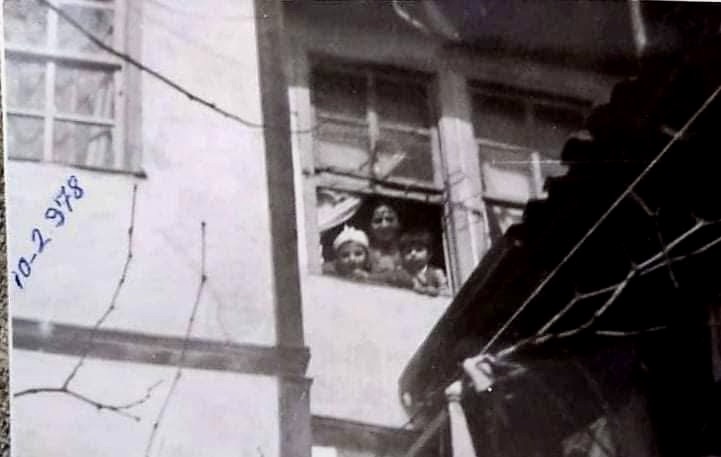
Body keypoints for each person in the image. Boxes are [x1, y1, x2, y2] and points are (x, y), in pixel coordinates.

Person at [398, 229, 448, 296]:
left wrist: (435, 292)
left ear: (429, 254)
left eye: (419, 250)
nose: (413, 253)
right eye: (409, 251)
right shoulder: (402, 273)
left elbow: (446, 293)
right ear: (402, 256)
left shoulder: (436, 273)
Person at [367, 202, 403, 274]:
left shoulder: (410, 250)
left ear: (399, 224)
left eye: (389, 219)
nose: (384, 225)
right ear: (369, 227)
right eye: (378, 221)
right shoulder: (362, 253)